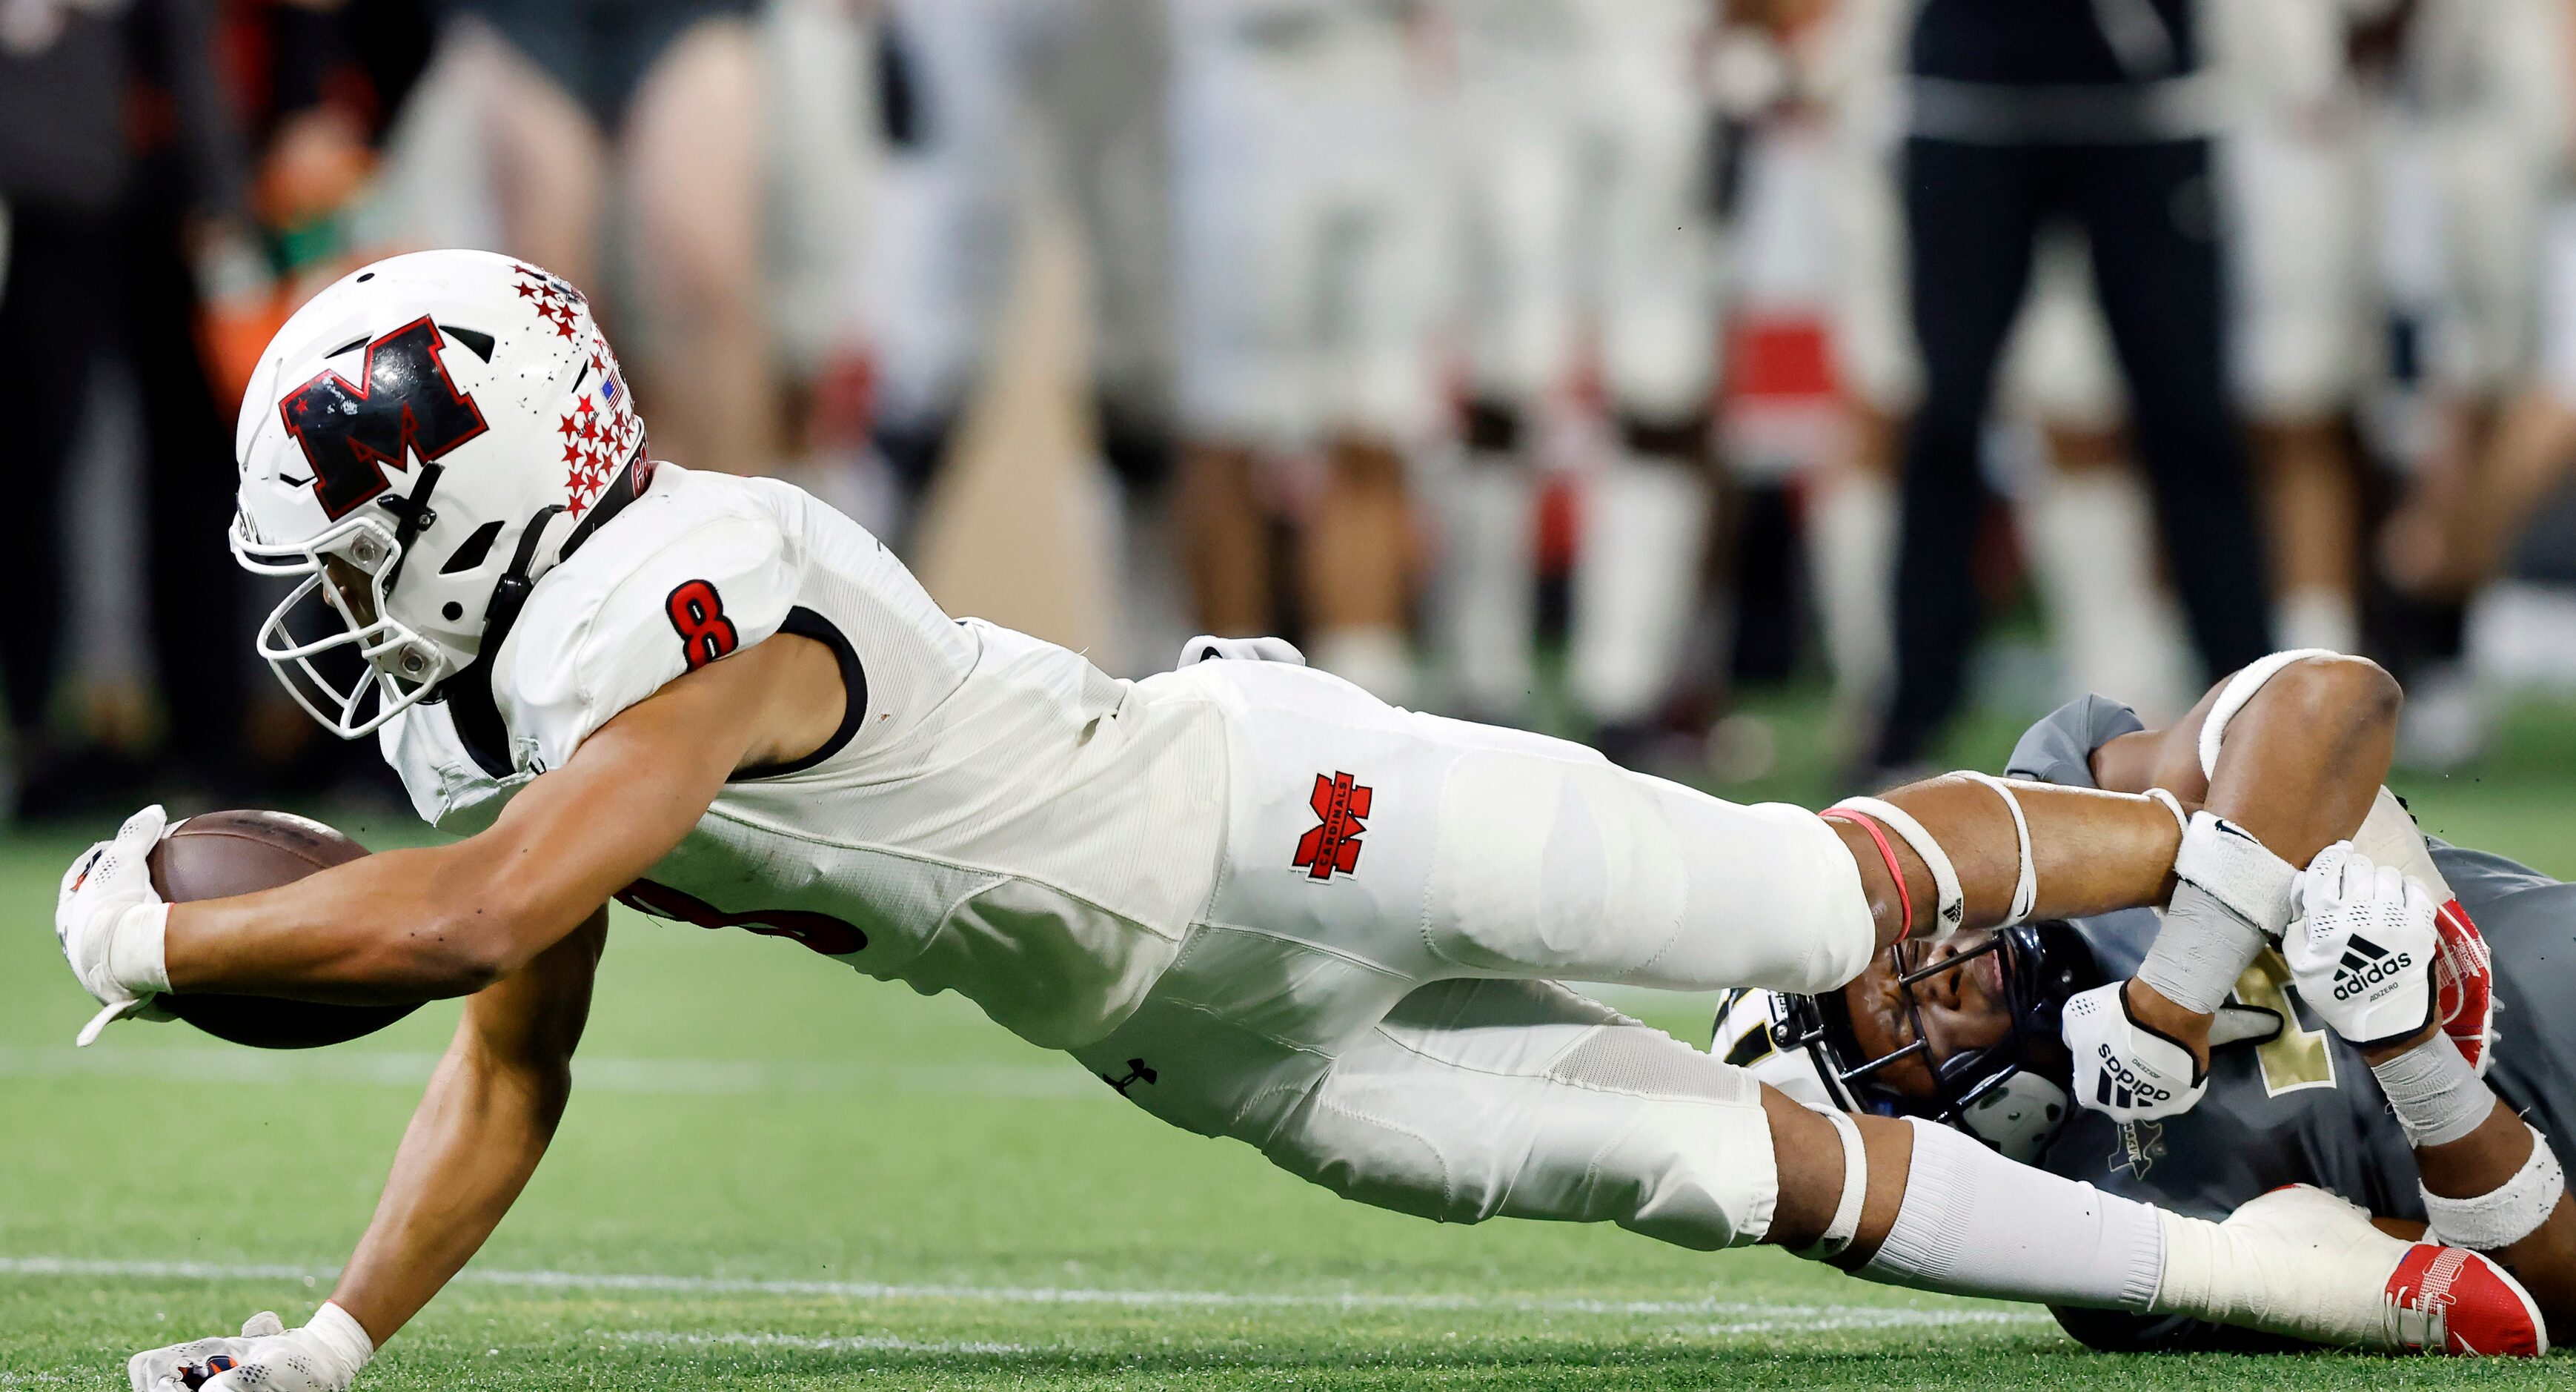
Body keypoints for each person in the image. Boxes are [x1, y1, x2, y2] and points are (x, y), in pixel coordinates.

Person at [56, 253, 2544, 1391]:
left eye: (361, 545)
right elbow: (511, 1038)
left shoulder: (693, 594)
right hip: (1180, 1035)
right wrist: (328, 1341)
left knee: (1791, 890)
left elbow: (473, 911)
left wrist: (151, 932)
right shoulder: (521, 713)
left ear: (479, 494)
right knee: (1716, 1163)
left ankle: (2257, 845)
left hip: (1279, 812)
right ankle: (2299, 1281)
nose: (343, 609)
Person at [1745, 676, 2576, 1350]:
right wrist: (2408, 1050)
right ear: (1936, 1127)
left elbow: (2329, 697)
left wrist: (2172, 994)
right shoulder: (2097, 1230)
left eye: (1893, 950)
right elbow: (2530, 1300)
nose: (1931, 974)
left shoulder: (2056, 820)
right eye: (1899, 1026)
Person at [1870, 0, 2274, 776]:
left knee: (2190, 420)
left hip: (2142, 100)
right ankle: (1907, 715)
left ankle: (2257, 713)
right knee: (1945, 419)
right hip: (1967, 97)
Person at [1433, 0, 1723, 746]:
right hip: (1506, 55)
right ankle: (1482, 675)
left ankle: (1625, 688)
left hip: (1648, 45)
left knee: (1658, 382)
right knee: (1503, 377)